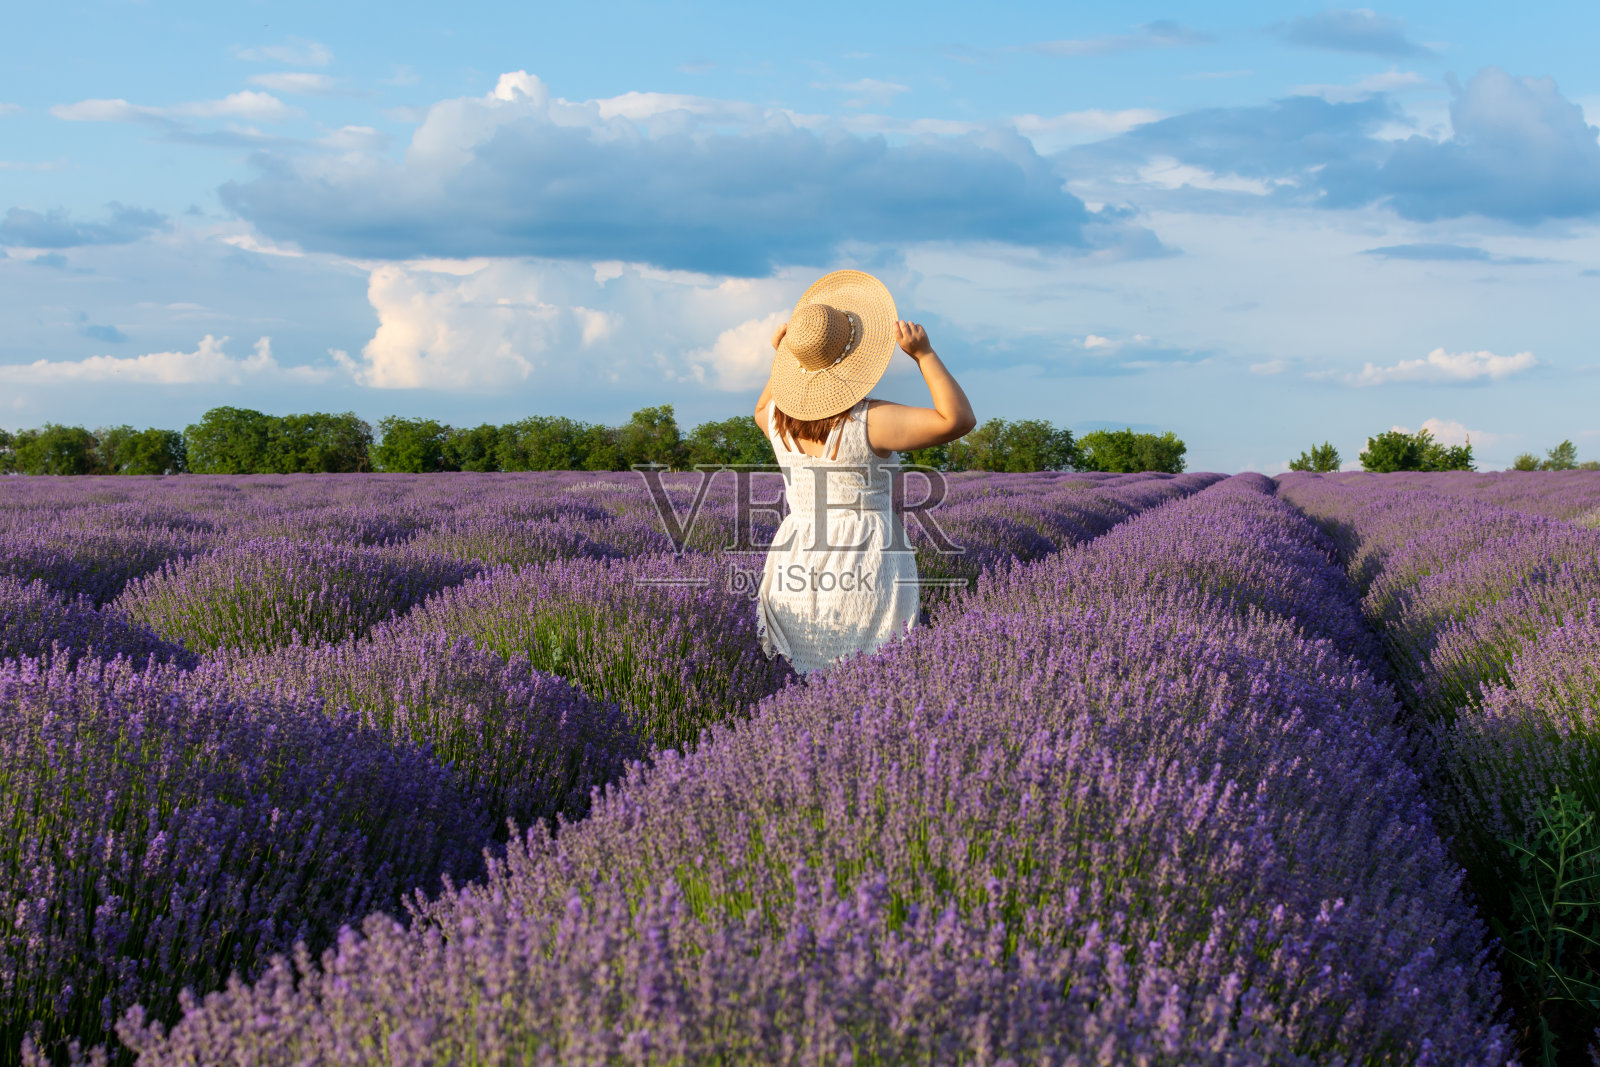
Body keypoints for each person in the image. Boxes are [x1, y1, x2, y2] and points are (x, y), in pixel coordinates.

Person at [751, 269, 976, 675]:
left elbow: (760, 407)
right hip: (864, 558)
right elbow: (956, 420)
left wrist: (782, 357)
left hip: (795, 556)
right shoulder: (869, 421)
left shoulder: (774, 419)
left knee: (798, 677)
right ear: (857, 354)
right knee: (868, 676)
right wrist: (924, 354)